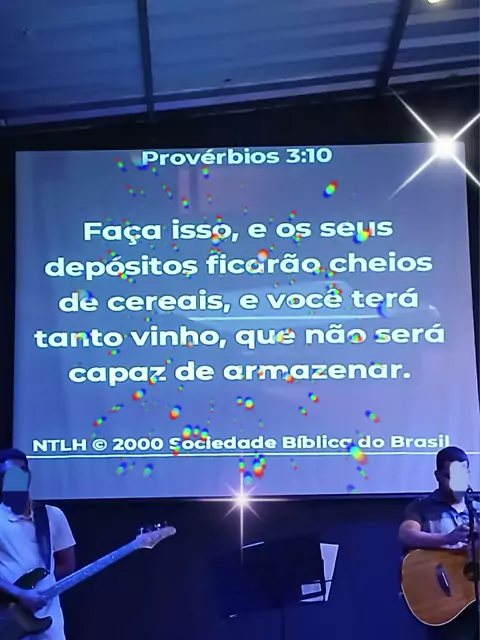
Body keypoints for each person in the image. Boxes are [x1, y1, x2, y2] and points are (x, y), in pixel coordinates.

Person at [399, 446, 480, 640]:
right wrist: (447, 538)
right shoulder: (422, 507)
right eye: (449, 476)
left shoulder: (476, 509)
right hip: (446, 600)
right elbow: (406, 534)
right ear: (437, 475)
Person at [0, 448, 76, 639]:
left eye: (22, 471)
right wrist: (19, 594)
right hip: (8, 616)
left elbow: (66, 564)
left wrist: (41, 590)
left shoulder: (52, 515)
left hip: (49, 619)